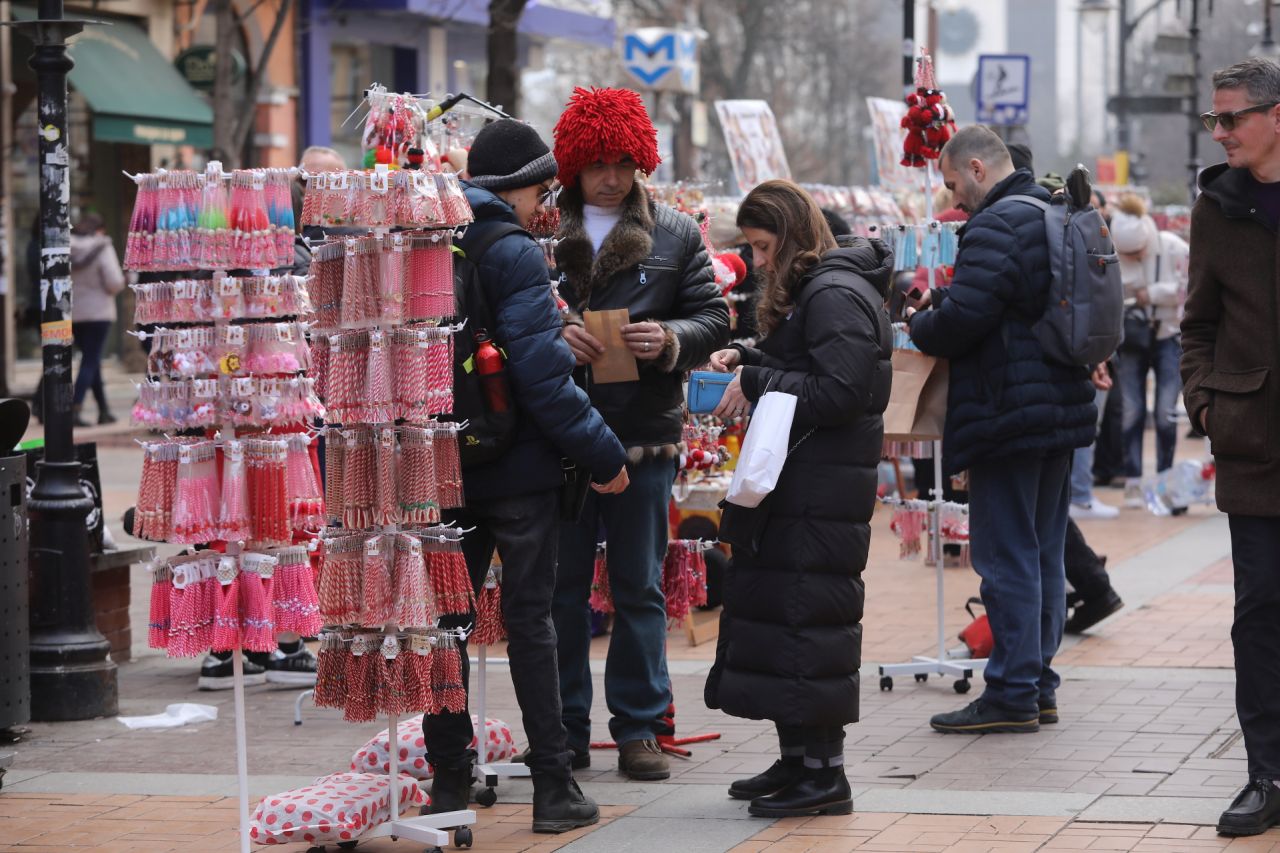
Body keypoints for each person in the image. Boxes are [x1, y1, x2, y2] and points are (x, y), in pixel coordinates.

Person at [420, 118, 630, 834]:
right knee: (530, 621)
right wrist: (605, 454)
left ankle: (449, 780)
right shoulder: (512, 252)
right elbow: (543, 379)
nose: (546, 205)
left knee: (446, 624)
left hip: (445, 461)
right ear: (514, 188)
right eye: (542, 190)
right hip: (517, 468)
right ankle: (553, 786)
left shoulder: (432, 236)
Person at [549, 86, 728, 781]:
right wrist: (552, 336)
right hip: (561, 434)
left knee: (638, 586)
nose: (613, 176)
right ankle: (562, 728)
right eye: (598, 162)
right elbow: (504, 318)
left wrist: (671, 337)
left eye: (624, 161)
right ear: (574, 162)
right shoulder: (539, 227)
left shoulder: (678, 232)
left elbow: (714, 317)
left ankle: (640, 728)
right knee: (560, 589)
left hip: (643, 434)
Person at [702, 180, 891, 818]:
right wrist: (750, 354)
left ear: (791, 236)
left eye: (761, 247)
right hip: (801, 484)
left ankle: (824, 774)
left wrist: (756, 376)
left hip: (819, 489)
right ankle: (796, 759)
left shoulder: (834, 292)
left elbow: (841, 391)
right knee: (784, 621)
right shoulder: (820, 290)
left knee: (808, 625)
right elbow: (810, 365)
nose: (756, 263)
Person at [906, 126, 1096, 734]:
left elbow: (965, 317)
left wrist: (923, 321)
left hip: (1008, 411)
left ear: (980, 168)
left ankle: (1012, 691)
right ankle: (1037, 683)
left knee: (1006, 554)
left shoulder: (996, 224)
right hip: (1058, 407)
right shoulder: (1051, 209)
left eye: (955, 182)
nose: (955, 197)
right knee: (1040, 553)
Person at [1183, 57, 1280, 837]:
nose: (1219, 132)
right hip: (1253, 443)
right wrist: (1207, 404)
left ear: (1276, 115)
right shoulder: (1217, 205)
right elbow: (1197, 322)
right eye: (1214, 119)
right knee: (1259, 613)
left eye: (1231, 118)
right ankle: (1266, 773)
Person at [1111, 194, 1190, 507]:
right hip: (1133, 337)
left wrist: (1151, 294)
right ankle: (1133, 479)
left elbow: (1189, 288)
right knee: (1132, 410)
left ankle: (1165, 478)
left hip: (1169, 335)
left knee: (1166, 413)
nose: (1134, 257)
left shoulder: (1173, 247)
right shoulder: (1117, 255)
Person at [69, 213, 125, 426]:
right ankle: (75, 406)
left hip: (75, 312)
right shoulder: (103, 246)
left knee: (92, 361)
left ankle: (103, 410)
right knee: (90, 360)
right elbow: (114, 282)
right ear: (99, 229)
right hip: (99, 312)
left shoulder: (68, 247)